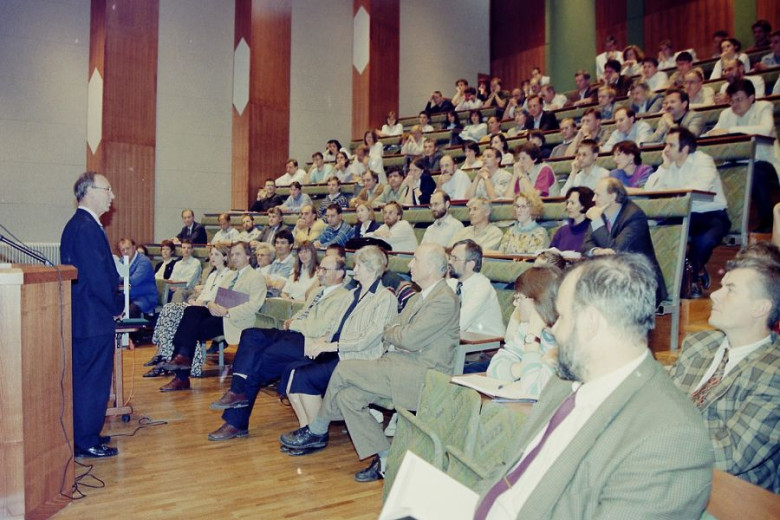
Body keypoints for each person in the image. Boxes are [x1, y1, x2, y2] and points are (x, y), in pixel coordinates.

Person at [472, 254, 713, 519]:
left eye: (561, 317)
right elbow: (510, 468)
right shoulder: (562, 384)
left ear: (590, 323)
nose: (553, 331)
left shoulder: (669, 437)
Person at [278, 243, 460, 483]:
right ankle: (385, 458)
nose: (409, 264)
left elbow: (408, 338)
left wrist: (397, 334)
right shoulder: (419, 297)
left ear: (431, 266)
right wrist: (397, 334)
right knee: (347, 398)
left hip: (422, 377)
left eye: (415, 260)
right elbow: (393, 330)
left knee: (344, 368)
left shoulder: (444, 299)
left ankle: (318, 430)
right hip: (397, 365)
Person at [207, 253, 354, 440]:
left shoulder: (343, 297)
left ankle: (236, 422)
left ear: (340, 273)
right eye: (320, 268)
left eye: (325, 269)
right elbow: (302, 315)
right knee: (251, 334)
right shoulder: (317, 291)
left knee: (257, 362)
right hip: (293, 334)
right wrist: (293, 322)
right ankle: (236, 391)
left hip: (309, 343)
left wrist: (293, 324)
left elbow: (319, 328)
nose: (320, 272)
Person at [669, 249, 780, 493]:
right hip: (668, 476)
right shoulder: (698, 345)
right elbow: (659, 402)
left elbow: (731, 453)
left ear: (760, 308)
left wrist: (649, 444)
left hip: (727, 496)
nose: (715, 295)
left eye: (730, 289)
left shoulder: (774, 371)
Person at [281, 246, 398, 439]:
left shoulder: (385, 298)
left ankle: (318, 433)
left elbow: (368, 340)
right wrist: (320, 341)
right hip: (338, 350)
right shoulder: (352, 294)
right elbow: (334, 326)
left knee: (305, 376)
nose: (355, 270)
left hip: (359, 358)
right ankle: (306, 427)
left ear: (371, 268)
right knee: (293, 369)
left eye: (358, 265)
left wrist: (330, 346)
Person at [60, 171, 124, 458]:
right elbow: (97, 278)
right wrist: (116, 306)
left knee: (89, 380)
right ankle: (86, 440)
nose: (112, 196)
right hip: (93, 319)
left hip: (88, 318)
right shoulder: (85, 227)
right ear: (89, 192)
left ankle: (86, 432)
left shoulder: (84, 225)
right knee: (92, 381)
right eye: (107, 189)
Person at [159, 242, 266, 391]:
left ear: (248, 256)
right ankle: (181, 359)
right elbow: (216, 299)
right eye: (232, 254)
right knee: (192, 311)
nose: (234, 258)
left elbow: (255, 305)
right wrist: (211, 305)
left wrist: (228, 312)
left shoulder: (256, 277)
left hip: (235, 320)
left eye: (238, 254)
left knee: (191, 328)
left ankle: (181, 375)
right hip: (219, 314)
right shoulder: (230, 277)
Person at [645, 127, 730, 297]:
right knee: (655, 234)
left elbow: (701, 187)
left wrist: (674, 190)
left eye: (670, 145)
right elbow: (650, 190)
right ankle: (680, 277)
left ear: (684, 149)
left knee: (704, 242)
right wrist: (664, 167)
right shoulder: (670, 166)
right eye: (665, 145)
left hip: (710, 215)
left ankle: (693, 275)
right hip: (682, 215)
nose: (665, 149)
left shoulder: (702, 160)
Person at [144, 244, 233, 378]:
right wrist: (194, 300)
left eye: (216, 255)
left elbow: (220, 301)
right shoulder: (212, 274)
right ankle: (166, 355)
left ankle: (165, 358)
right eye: (211, 254)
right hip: (200, 306)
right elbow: (203, 294)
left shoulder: (229, 276)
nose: (212, 257)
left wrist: (200, 302)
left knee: (180, 316)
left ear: (225, 257)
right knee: (169, 309)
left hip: (211, 310)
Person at [705, 79, 779, 233]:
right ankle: (724, 224)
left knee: (755, 173)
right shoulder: (726, 113)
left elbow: (766, 129)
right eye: (731, 101)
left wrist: (730, 130)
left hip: (764, 162)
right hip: (736, 161)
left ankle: (767, 221)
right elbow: (713, 133)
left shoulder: (763, 107)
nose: (734, 104)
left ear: (751, 98)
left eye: (739, 99)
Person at [582, 177, 668, 304]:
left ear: (612, 197)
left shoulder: (634, 216)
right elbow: (585, 245)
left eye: (597, 195)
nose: (593, 199)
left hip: (641, 283)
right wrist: (596, 251)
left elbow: (616, 251)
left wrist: (596, 221)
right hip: (613, 280)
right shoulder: (600, 213)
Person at [486, 266, 562, 398]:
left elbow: (532, 388)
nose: (515, 304)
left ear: (537, 300)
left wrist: (533, 332)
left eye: (519, 298)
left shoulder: (566, 339)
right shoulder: (525, 327)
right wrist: (532, 365)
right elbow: (494, 367)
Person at [448, 239, 505, 336]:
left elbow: (459, 324)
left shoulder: (482, 286)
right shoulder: (452, 283)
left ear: (470, 264)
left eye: (455, 258)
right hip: (463, 340)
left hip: (487, 345)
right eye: (450, 257)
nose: (449, 262)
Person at [116, 237, 157, 317]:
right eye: (122, 250)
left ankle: (130, 329)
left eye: (128, 248)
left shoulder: (144, 262)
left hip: (144, 297)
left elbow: (134, 280)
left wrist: (119, 279)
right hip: (128, 296)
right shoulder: (122, 261)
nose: (125, 252)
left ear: (134, 247)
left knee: (129, 312)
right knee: (109, 307)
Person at [549, 187, 594, 252]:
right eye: (568, 202)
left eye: (572, 203)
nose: (568, 207)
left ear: (584, 205)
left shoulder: (593, 231)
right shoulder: (562, 231)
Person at [265, 229, 295, 297]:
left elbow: (278, 286)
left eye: (283, 243)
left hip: (279, 299)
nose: (279, 246)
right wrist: (272, 283)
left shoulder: (292, 263)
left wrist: (270, 283)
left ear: (290, 245)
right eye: (277, 242)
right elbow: (264, 282)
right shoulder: (275, 262)